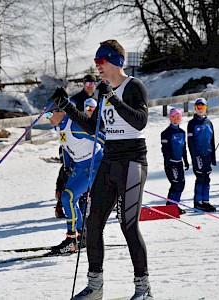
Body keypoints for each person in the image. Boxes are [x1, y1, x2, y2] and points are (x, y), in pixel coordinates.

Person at [51, 39, 153, 300]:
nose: (98, 68)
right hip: (109, 159)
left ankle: (143, 289)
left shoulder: (133, 86)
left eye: (101, 62)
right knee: (93, 223)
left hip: (132, 160)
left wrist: (111, 97)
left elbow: (140, 122)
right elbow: (93, 127)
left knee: (129, 225)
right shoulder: (102, 91)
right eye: (96, 63)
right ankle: (95, 286)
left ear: (116, 62)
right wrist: (68, 108)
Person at [46, 103, 104, 255]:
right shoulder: (59, 127)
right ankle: (80, 235)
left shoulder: (75, 126)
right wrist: (66, 166)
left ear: (59, 112)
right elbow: (65, 146)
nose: (47, 119)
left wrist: (113, 159)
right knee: (67, 199)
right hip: (78, 166)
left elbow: (101, 138)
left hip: (93, 165)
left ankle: (72, 239)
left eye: (48, 114)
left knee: (69, 197)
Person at [53, 77, 97, 217]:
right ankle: (61, 202)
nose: (90, 86)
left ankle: (87, 204)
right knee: (67, 170)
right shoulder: (76, 99)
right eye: (87, 83)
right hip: (71, 139)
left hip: (87, 143)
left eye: (92, 83)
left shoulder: (96, 99)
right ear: (83, 85)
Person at [187, 98, 216, 212]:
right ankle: (198, 201)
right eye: (198, 107)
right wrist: (195, 156)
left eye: (202, 107)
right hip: (198, 156)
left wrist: (213, 156)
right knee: (200, 177)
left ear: (206, 108)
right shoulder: (192, 123)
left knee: (207, 178)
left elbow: (212, 140)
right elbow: (190, 142)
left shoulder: (209, 122)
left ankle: (206, 201)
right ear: (195, 108)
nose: (200, 109)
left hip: (207, 155)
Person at [160, 108, 189, 215]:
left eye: (178, 117)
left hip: (179, 162)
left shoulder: (182, 132)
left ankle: (175, 205)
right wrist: (168, 162)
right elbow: (165, 150)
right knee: (175, 184)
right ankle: (170, 206)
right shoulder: (166, 133)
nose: (175, 120)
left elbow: (183, 147)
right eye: (173, 117)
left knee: (181, 184)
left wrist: (185, 160)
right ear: (170, 118)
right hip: (171, 163)